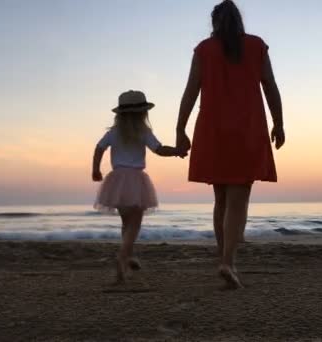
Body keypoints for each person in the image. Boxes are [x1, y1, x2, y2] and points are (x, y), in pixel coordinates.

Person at [175, 0, 285, 289]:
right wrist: (279, 123)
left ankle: (223, 258)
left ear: (214, 23)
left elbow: (190, 90)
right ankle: (229, 261)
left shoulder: (203, 50)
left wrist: (180, 129)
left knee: (221, 199)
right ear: (239, 20)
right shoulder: (256, 46)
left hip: (212, 130)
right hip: (247, 129)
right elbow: (270, 85)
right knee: (239, 200)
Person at [93, 90, 186, 283]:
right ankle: (122, 257)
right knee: (134, 224)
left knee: (127, 223)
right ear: (143, 113)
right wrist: (177, 151)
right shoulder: (144, 132)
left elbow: (99, 148)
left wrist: (96, 169)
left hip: (116, 180)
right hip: (136, 180)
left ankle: (128, 258)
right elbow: (159, 150)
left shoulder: (113, 132)